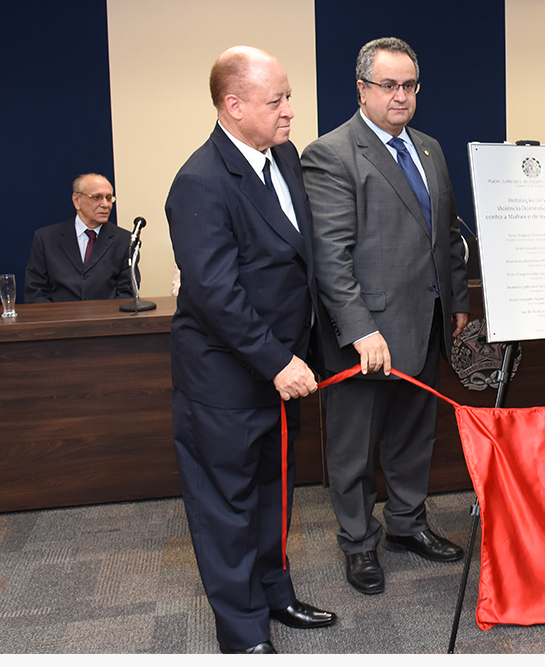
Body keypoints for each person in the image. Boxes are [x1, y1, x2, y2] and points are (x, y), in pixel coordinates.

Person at [165, 46, 335, 653]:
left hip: (284, 371)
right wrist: (277, 362)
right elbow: (216, 295)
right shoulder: (200, 183)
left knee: (273, 493)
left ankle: (274, 592)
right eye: (277, 100)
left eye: (289, 96)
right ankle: (241, 633)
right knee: (226, 508)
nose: (291, 111)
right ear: (233, 106)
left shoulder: (282, 157)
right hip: (228, 380)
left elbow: (296, 262)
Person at [301, 37, 470, 596]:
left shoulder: (428, 148)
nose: (401, 96)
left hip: (427, 325)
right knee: (354, 446)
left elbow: (445, 234)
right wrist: (359, 330)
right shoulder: (330, 153)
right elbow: (331, 257)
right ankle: (358, 542)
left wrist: (459, 302)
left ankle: (406, 524)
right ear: (361, 89)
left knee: (413, 435)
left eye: (409, 86)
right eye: (389, 85)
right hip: (366, 338)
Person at [24, 173, 135, 303]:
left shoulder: (124, 240)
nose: (105, 204)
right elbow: (35, 291)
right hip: (58, 320)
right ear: (77, 200)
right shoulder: (46, 238)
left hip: (107, 321)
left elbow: (127, 293)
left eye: (109, 198)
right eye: (97, 197)